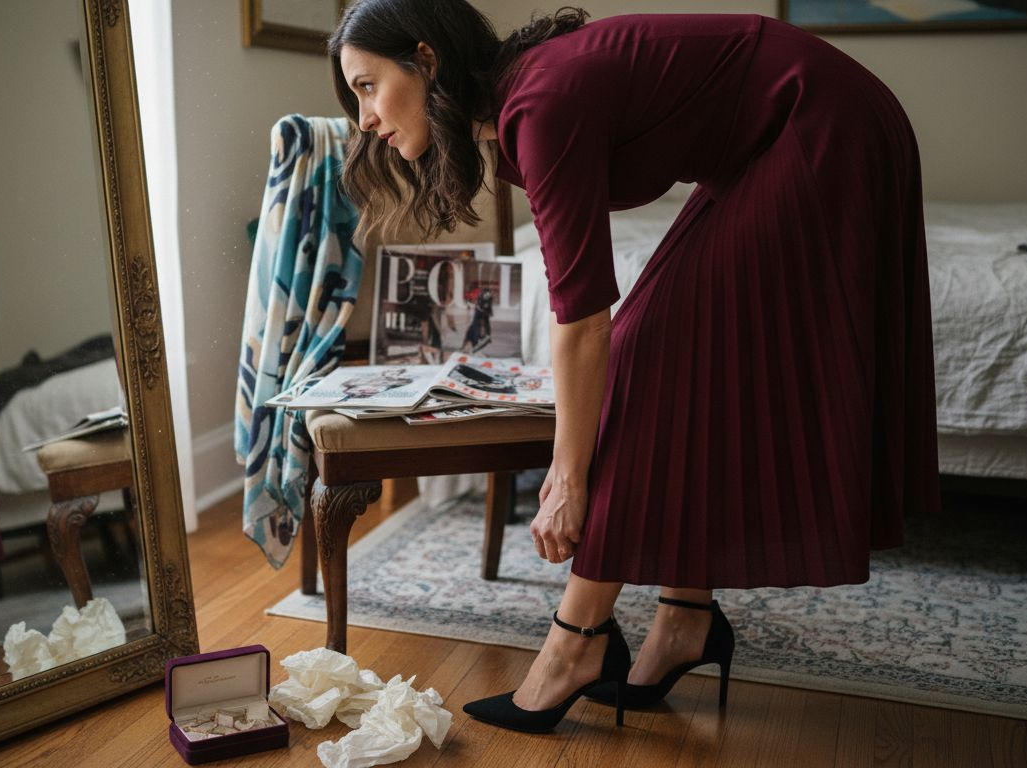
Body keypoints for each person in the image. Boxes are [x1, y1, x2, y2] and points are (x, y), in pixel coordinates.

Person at [329, 0, 939, 733]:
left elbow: (584, 317)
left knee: (646, 349)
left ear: (426, 61)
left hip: (823, 122)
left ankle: (576, 642)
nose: (364, 117)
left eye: (367, 86)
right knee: (673, 351)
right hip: (782, 134)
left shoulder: (539, 105)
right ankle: (685, 617)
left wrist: (568, 479)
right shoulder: (521, 112)